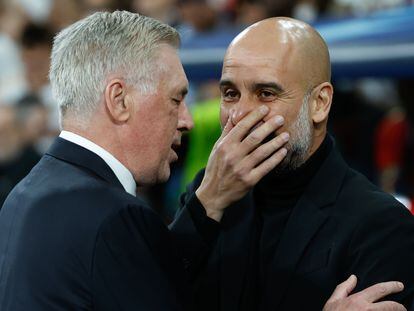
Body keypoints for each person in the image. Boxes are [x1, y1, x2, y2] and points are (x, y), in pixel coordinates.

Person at [0, 11, 290, 311]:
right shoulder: (114, 217)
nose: (186, 120)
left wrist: (208, 201)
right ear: (120, 100)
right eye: (176, 99)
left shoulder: (23, 196)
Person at [177, 17, 414, 310]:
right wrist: (205, 205)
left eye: (266, 93)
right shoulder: (206, 195)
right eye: (230, 94)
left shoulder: (380, 224)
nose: (239, 114)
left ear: (319, 103)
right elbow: (148, 293)